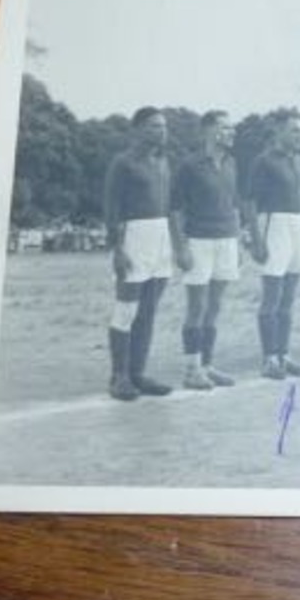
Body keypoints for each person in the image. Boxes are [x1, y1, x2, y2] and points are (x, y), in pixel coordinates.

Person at [103, 107, 175, 400]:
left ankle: (138, 373)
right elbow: (111, 208)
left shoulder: (163, 162)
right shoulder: (122, 163)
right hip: (133, 236)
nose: (161, 131)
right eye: (154, 126)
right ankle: (118, 376)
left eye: (163, 126)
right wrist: (117, 249)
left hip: (160, 237)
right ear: (138, 129)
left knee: (148, 311)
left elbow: (168, 208)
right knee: (126, 309)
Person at [170, 109, 240, 391]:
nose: (230, 132)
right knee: (197, 306)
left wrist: (238, 239)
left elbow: (233, 204)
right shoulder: (189, 165)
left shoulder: (232, 162)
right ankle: (192, 369)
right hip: (198, 241)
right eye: (224, 127)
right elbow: (174, 210)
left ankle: (207, 365)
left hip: (227, 240)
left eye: (231, 127)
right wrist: (180, 247)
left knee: (215, 306)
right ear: (208, 131)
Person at [246, 110, 300, 379]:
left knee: (289, 297)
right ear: (279, 132)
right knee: (272, 297)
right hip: (274, 225)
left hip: (298, 224)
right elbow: (249, 201)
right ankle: (269, 359)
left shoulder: (299, 160)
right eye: (294, 130)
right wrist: (256, 238)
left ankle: (284, 355)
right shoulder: (263, 161)